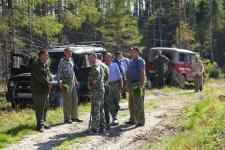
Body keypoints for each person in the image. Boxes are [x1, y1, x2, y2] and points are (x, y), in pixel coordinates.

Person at [57, 48, 83, 124]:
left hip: (72, 82)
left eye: (71, 52)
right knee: (67, 101)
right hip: (66, 82)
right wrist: (59, 82)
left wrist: (76, 80)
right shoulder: (61, 61)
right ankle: (67, 118)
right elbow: (58, 72)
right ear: (65, 53)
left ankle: (75, 117)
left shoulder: (71, 60)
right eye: (68, 52)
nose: (70, 53)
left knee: (75, 99)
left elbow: (72, 70)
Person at [30, 50, 52, 132]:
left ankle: (43, 122)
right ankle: (39, 125)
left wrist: (50, 81)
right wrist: (47, 83)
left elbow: (48, 74)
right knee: (39, 107)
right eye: (46, 55)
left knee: (45, 106)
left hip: (45, 89)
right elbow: (39, 76)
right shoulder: (36, 64)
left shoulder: (45, 64)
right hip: (38, 89)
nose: (47, 57)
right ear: (41, 56)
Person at [126, 47, 145, 127]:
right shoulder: (131, 61)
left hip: (137, 84)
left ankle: (141, 121)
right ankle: (133, 120)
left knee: (138, 103)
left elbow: (142, 72)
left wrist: (141, 83)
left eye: (133, 52)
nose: (132, 53)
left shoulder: (140, 61)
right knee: (131, 103)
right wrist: (127, 83)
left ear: (137, 52)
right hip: (130, 84)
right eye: (131, 52)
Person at [88, 52, 105, 134]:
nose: (89, 59)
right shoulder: (100, 64)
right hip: (101, 89)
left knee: (95, 109)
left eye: (91, 58)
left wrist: (92, 81)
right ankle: (102, 126)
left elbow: (97, 77)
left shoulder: (95, 65)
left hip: (96, 90)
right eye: (88, 58)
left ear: (95, 57)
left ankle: (95, 129)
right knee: (101, 108)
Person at [105, 52, 122, 126]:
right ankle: (114, 118)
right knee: (110, 102)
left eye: (108, 57)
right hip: (107, 86)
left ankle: (115, 115)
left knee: (117, 102)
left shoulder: (115, 65)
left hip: (116, 85)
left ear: (111, 58)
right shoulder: (103, 66)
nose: (107, 58)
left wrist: (121, 85)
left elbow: (119, 75)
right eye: (106, 57)